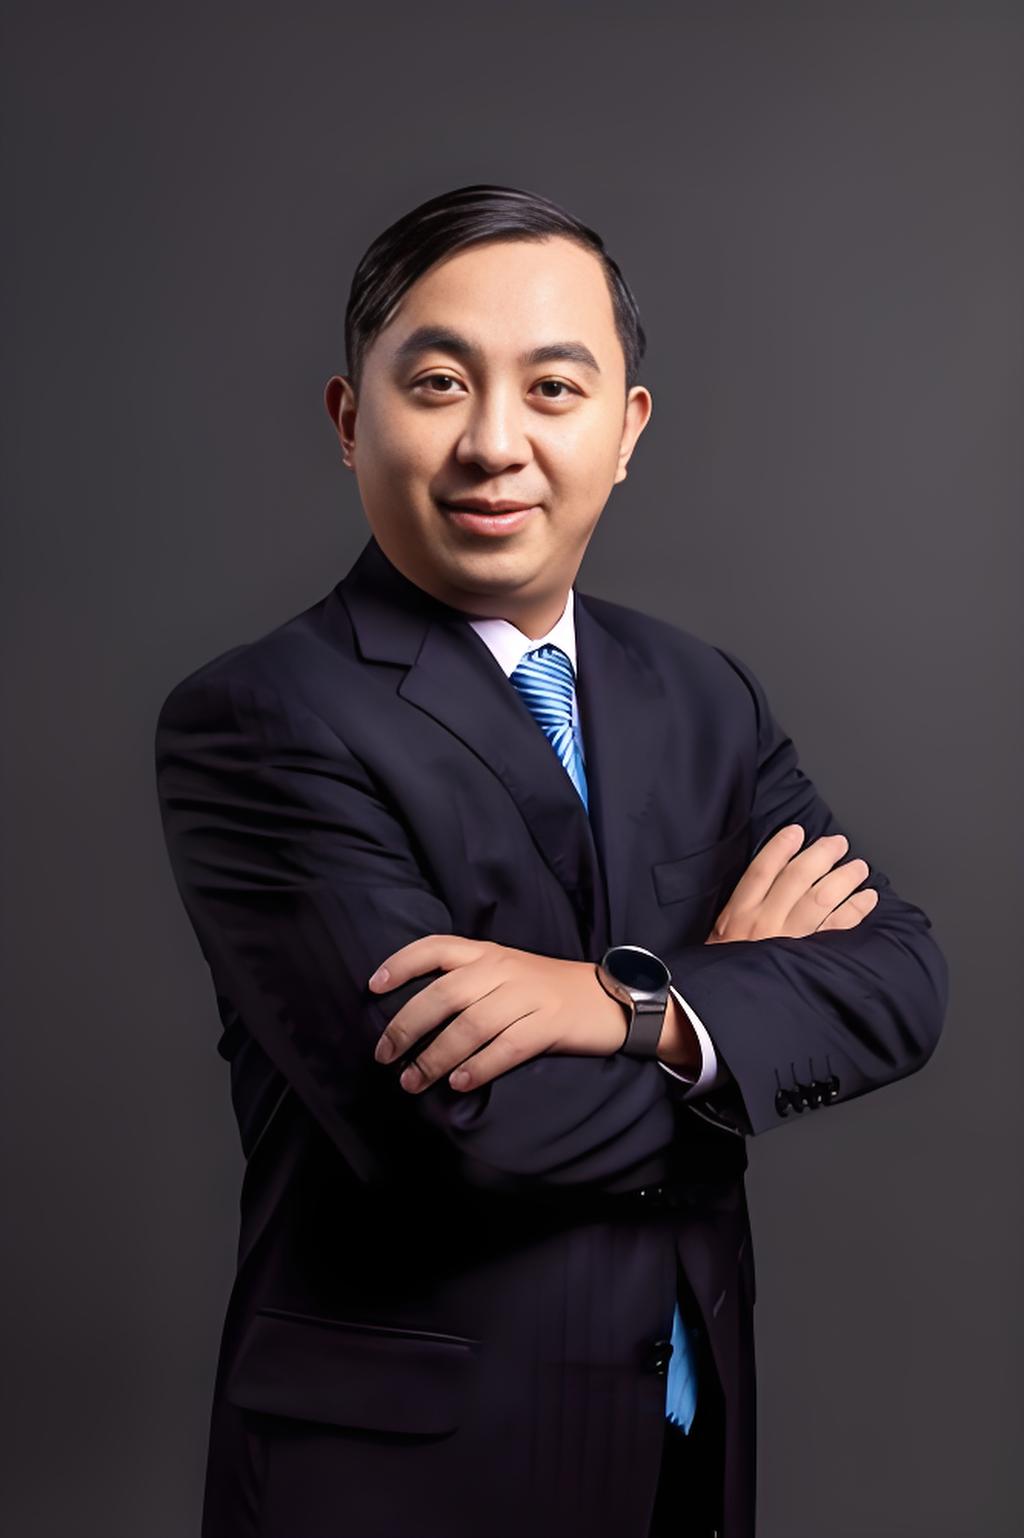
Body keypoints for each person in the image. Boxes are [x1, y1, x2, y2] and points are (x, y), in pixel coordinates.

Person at [154, 183, 948, 1538]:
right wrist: (731, 1015)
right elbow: (471, 1135)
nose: (493, 443)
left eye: (554, 389)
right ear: (349, 418)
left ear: (626, 429)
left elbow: (901, 981)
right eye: (439, 384)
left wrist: (619, 1006)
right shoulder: (261, 717)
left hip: (680, 1454)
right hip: (404, 1479)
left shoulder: (702, 694)